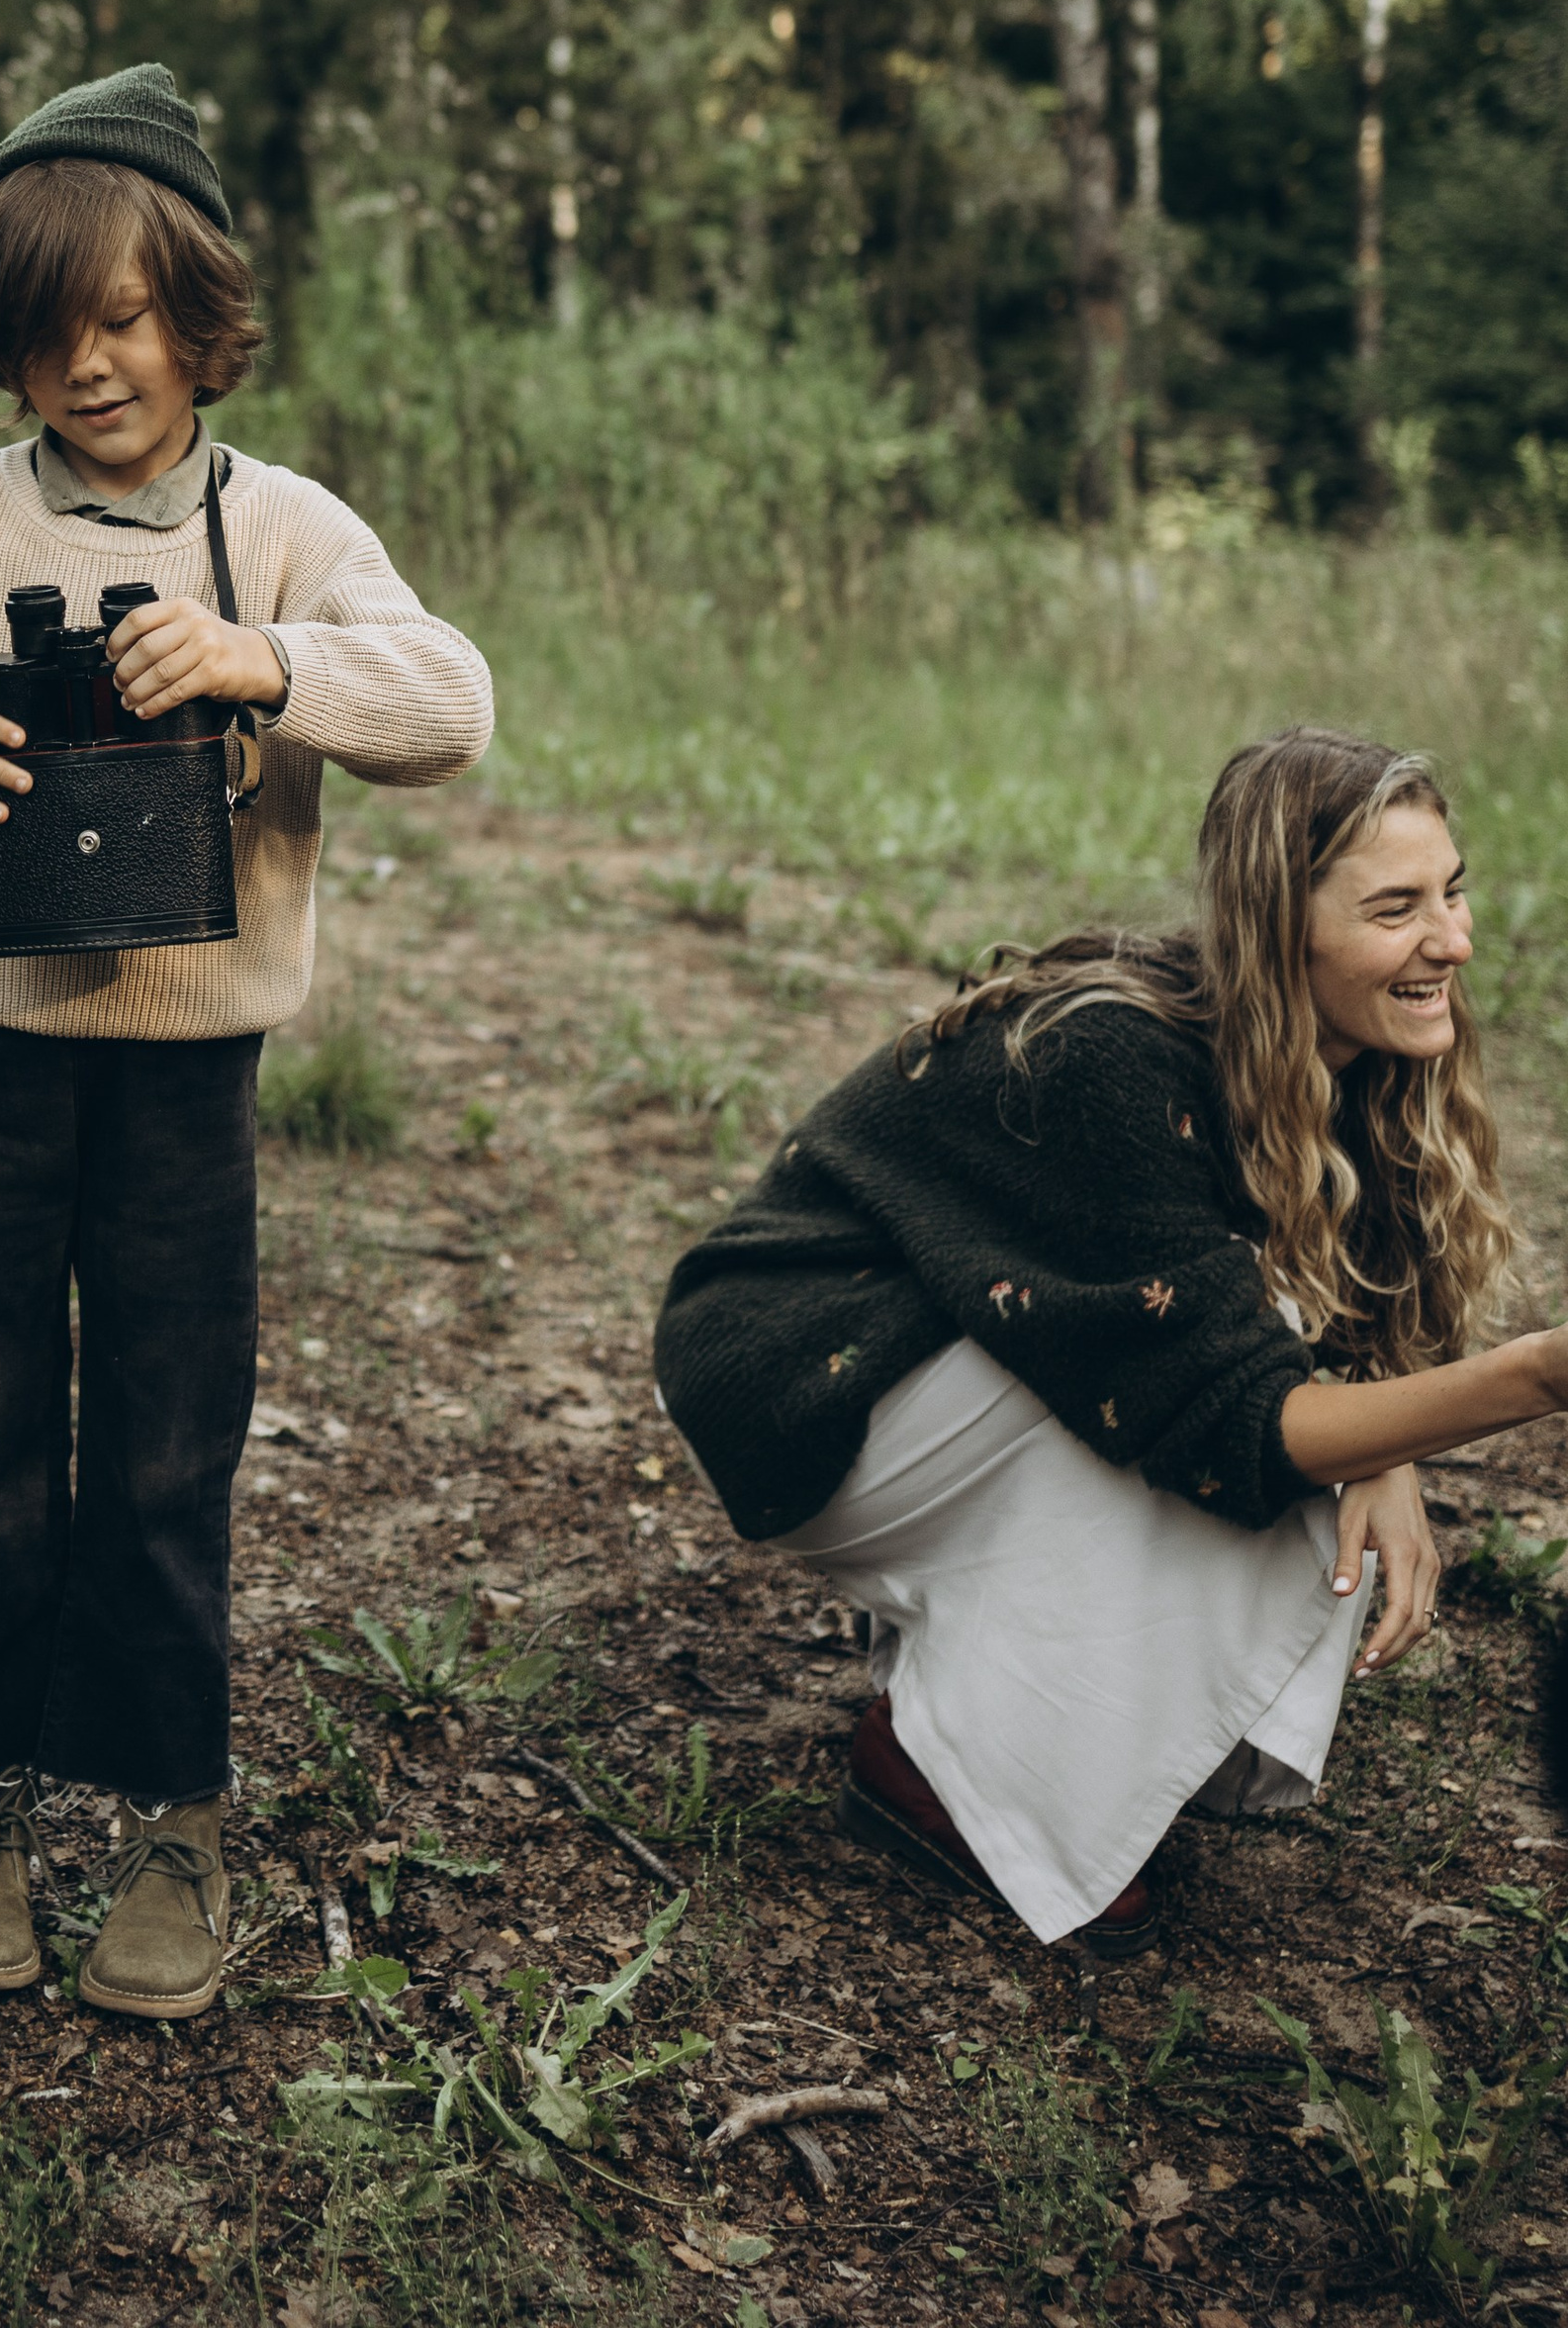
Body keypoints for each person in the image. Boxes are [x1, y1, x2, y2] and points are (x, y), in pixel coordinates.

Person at [0, 62, 493, 2020]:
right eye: (45, 331)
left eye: (125, 320)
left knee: (164, 1429)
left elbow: (450, 704)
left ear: (197, 315)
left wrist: (267, 663)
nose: (88, 367)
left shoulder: (286, 529)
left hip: (186, 1066)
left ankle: (171, 1808)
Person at [654, 724, 1550, 1958]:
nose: (1448, 940)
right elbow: (1238, 1418)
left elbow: (1331, 1344)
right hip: (802, 1371)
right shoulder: (1111, 1058)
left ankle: (1013, 1708)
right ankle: (941, 1772)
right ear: (1272, 926)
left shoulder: (1367, 1062)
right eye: (1394, 908)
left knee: (1274, 1416)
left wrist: (1384, 1449)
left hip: (938, 1350)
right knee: (1210, 1435)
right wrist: (1538, 1376)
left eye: (1450, 893)